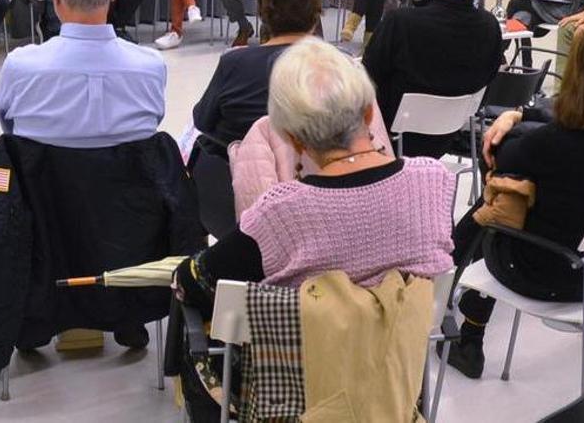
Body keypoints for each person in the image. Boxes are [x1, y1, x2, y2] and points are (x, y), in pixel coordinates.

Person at [174, 38, 454, 418]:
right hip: (395, 391)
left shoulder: (280, 214)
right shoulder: (433, 183)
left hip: (297, 400)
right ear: (371, 113)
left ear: (290, 136)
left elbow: (193, 281)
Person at [441, 16, 584, 378]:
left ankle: (460, 324)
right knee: (509, 204)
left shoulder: (555, 145)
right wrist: (524, 113)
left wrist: (511, 122)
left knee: (497, 206)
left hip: (542, 272)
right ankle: (449, 298)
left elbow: (498, 163)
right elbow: (563, 122)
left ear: (582, 73)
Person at [0, 0, 165, 348]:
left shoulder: (21, 66)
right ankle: (122, 308)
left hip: (47, 232)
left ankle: (43, 315)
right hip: (127, 231)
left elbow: (10, 134)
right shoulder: (150, 67)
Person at [0, 0, 166, 148]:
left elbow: (10, 130)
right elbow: (153, 125)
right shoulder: (152, 66)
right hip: (127, 181)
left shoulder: (19, 66)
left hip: (45, 180)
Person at [362, 0, 503, 158]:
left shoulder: (400, 23)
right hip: (449, 138)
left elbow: (367, 77)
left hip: (389, 142)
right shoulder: (490, 28)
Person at [193, 0, 322, 149]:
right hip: (313, 171)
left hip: (234, 170)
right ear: (316, 9)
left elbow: (202, 120)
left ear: (262, 10)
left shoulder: (234, 62)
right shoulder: (343, 66)